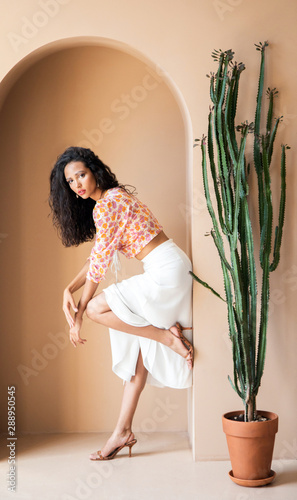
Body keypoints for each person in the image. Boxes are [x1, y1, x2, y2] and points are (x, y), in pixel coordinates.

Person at [49, 146, 193, 461]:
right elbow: (98, 256)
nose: (78, 185)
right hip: (171, 268)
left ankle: (167, 337)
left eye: (81, 175)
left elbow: (99, 267)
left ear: (94, 171)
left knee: (100, 307)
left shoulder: (107, 206)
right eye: (71, 182)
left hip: (165, 273)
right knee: (136, 350)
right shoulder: (112, 199)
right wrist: (68, 289)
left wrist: (80, 315)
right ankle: (122, 432)